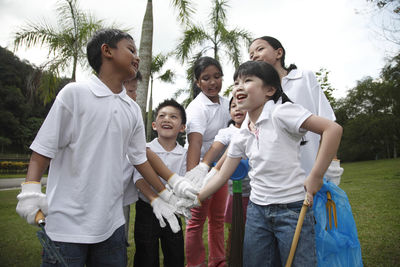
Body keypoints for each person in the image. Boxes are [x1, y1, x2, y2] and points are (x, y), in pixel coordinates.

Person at [15, 29, 195, 266]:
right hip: (66, 226)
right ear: (107, 51)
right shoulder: (75, 94)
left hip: (112, 226)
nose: (137, 56)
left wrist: (166, 192)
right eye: (130, 49)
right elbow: (42, 151)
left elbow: (140, 158)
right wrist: (30, 192)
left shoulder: (131, 109)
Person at [197, 61, 343, 267]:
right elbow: (222, 175)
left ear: (270, 90)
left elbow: (332, 130)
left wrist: (316, 175)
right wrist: (197, 197)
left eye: (247, 80)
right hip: (257, 212)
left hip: (292, 209)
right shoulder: (241, 133)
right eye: (236, 82)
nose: (239, 86)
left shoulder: (281, 112)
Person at [248, 36, 342, 181]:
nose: (254, 55)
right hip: (282, 176)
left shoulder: (304, 77)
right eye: (251, 54)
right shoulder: (259, 91)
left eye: (260, 49)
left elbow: (328, 121)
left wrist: (332, 166)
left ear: (279, 53)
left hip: (313, 166)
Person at [185, 56, 231, 267]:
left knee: (218, 219)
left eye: (217, 77)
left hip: (220, 167)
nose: (212, 82)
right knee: (196, 221)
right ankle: (195, 264)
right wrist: (193, 179)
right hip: (201, 168)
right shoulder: (196, 108)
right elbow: (195, 143)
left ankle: (218, 261)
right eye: (206, 78)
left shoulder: (227, 103)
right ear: (197, 83)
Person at [133, 99, 187, 267]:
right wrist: (154, 200)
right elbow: (138, 179)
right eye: (162, 116)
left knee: (175, 253)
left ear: (182, 127)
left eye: (173, 116)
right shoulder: (145, 149)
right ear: (155, 125)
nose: (167, 119)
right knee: (146, 254)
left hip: (173, 209)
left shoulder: (185, 154)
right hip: (147, 209)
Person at [200, 97, 251, 262]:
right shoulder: (227, 132)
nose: (237, 109)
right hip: (235, 192)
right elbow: (216, 148)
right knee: (235, 230)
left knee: (254, 231)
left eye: (242, 105)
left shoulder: (255, 128)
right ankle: (232, 258)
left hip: (257, 191)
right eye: (233, 106)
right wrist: (205, 166)